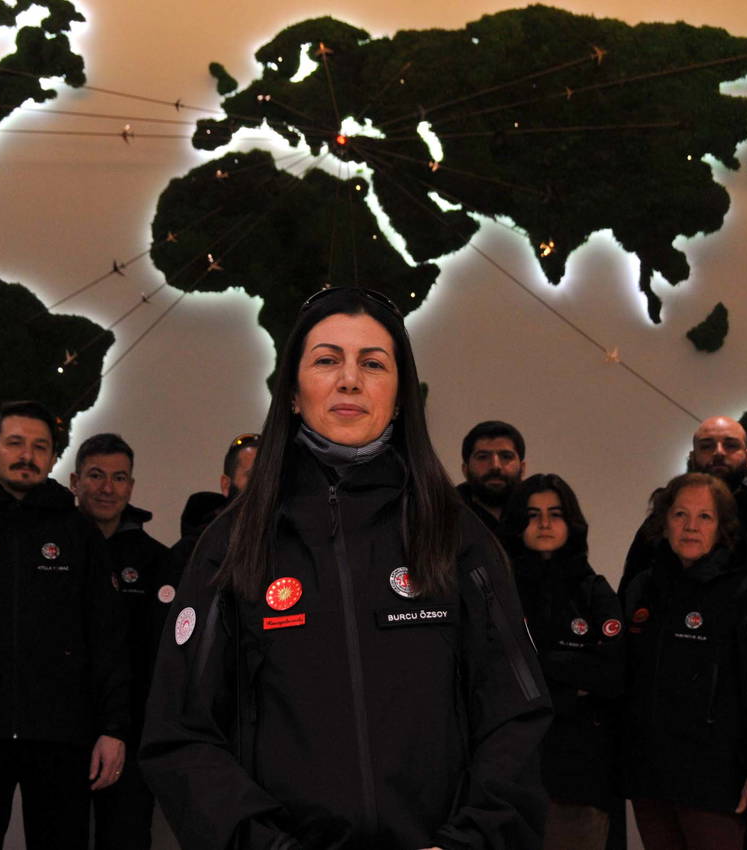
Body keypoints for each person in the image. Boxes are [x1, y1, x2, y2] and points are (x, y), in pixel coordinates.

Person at [141, 286, 552, 849]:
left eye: (373, 363)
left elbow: (516, 716)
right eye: (327, 360)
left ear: (401, 395)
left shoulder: (457, 535)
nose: (350, 379)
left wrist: (470, 841)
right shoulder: (232, 543)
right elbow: (180, 734)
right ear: (292, 392)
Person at [0, 400, 128, 850]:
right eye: (15, 443)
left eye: (40, 446)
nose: (27, 455)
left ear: (54, 457)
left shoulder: (80, 534)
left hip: (64, 735)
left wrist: (113, 728)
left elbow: (108, 638)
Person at [623, 473, 747, 850]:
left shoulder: (745, 593)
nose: (691, 527)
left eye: (705, 517)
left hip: (715, 781)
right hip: (650, 776)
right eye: (680, 515)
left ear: (722, 528)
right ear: (664, 523)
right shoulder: (642, 588)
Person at [502, 473, 622, 850]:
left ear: (571, 522)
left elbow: (611, 674)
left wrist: (541, 662)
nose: (544, 523)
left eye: (555, 514)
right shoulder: (500, 590)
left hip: (578, 769)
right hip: (511, 767)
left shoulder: (594, 590)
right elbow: (495, 673)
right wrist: (572, 674)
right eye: (533, 515)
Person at [70, 433, 168, 850]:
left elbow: (160, 657)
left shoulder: (156, 560)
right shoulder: (54, 551)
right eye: (96, 475)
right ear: (75, 481)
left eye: (119, 477)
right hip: (63, 731)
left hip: (133, 733)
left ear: (131, 485)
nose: (107, 488)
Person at [620, 417, 747, 610]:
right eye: (706, 446)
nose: (718, 452)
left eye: (730, 445)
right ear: (693, 457)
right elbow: (630, 598)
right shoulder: (661, 522)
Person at [157, 432, 259, 609]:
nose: (264, 485)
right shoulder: (192, 551)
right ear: (226, 485)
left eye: (271, 476)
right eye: (252, 476)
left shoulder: (289, 543)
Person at [458, 420, 526, 533]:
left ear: (522, 468)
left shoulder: (537, 515)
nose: (495, 466)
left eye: (506, 456)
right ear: (465, 469)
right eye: (483, 457)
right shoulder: (442, 516)